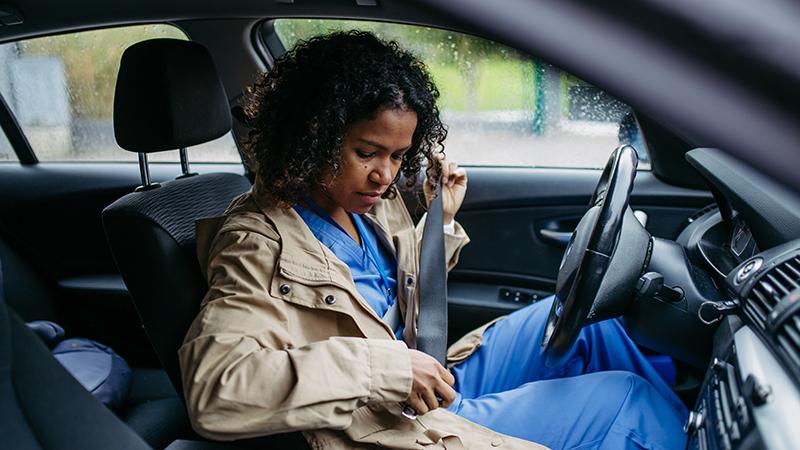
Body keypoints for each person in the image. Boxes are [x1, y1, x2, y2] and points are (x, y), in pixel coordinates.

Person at [179, 31, 687, 450]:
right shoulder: (255, 243)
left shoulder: (369, 205)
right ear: (315, 133)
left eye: (399, 156)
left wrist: (440, 221)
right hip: (390, 424)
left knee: (593, 328)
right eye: (367, 152)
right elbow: (217, 390)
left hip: (429, 377)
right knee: (628, 403)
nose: (385, 175)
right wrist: (386, 367)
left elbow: (379, 304)